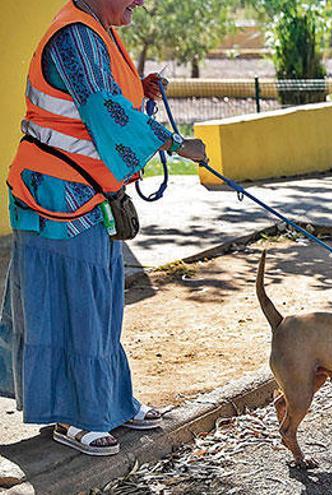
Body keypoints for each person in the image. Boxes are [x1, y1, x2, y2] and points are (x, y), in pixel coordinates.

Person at [0, 0, 208, 456]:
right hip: (55, 194)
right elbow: (103, 109)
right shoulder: (74, 34)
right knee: (70, 305)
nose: (141, 2)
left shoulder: (96, 28)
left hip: (85, 193)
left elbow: (109, 99)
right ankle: (72, 416)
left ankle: (108, 402)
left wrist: (144, 92)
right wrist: (174, 142)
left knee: (99, 303)